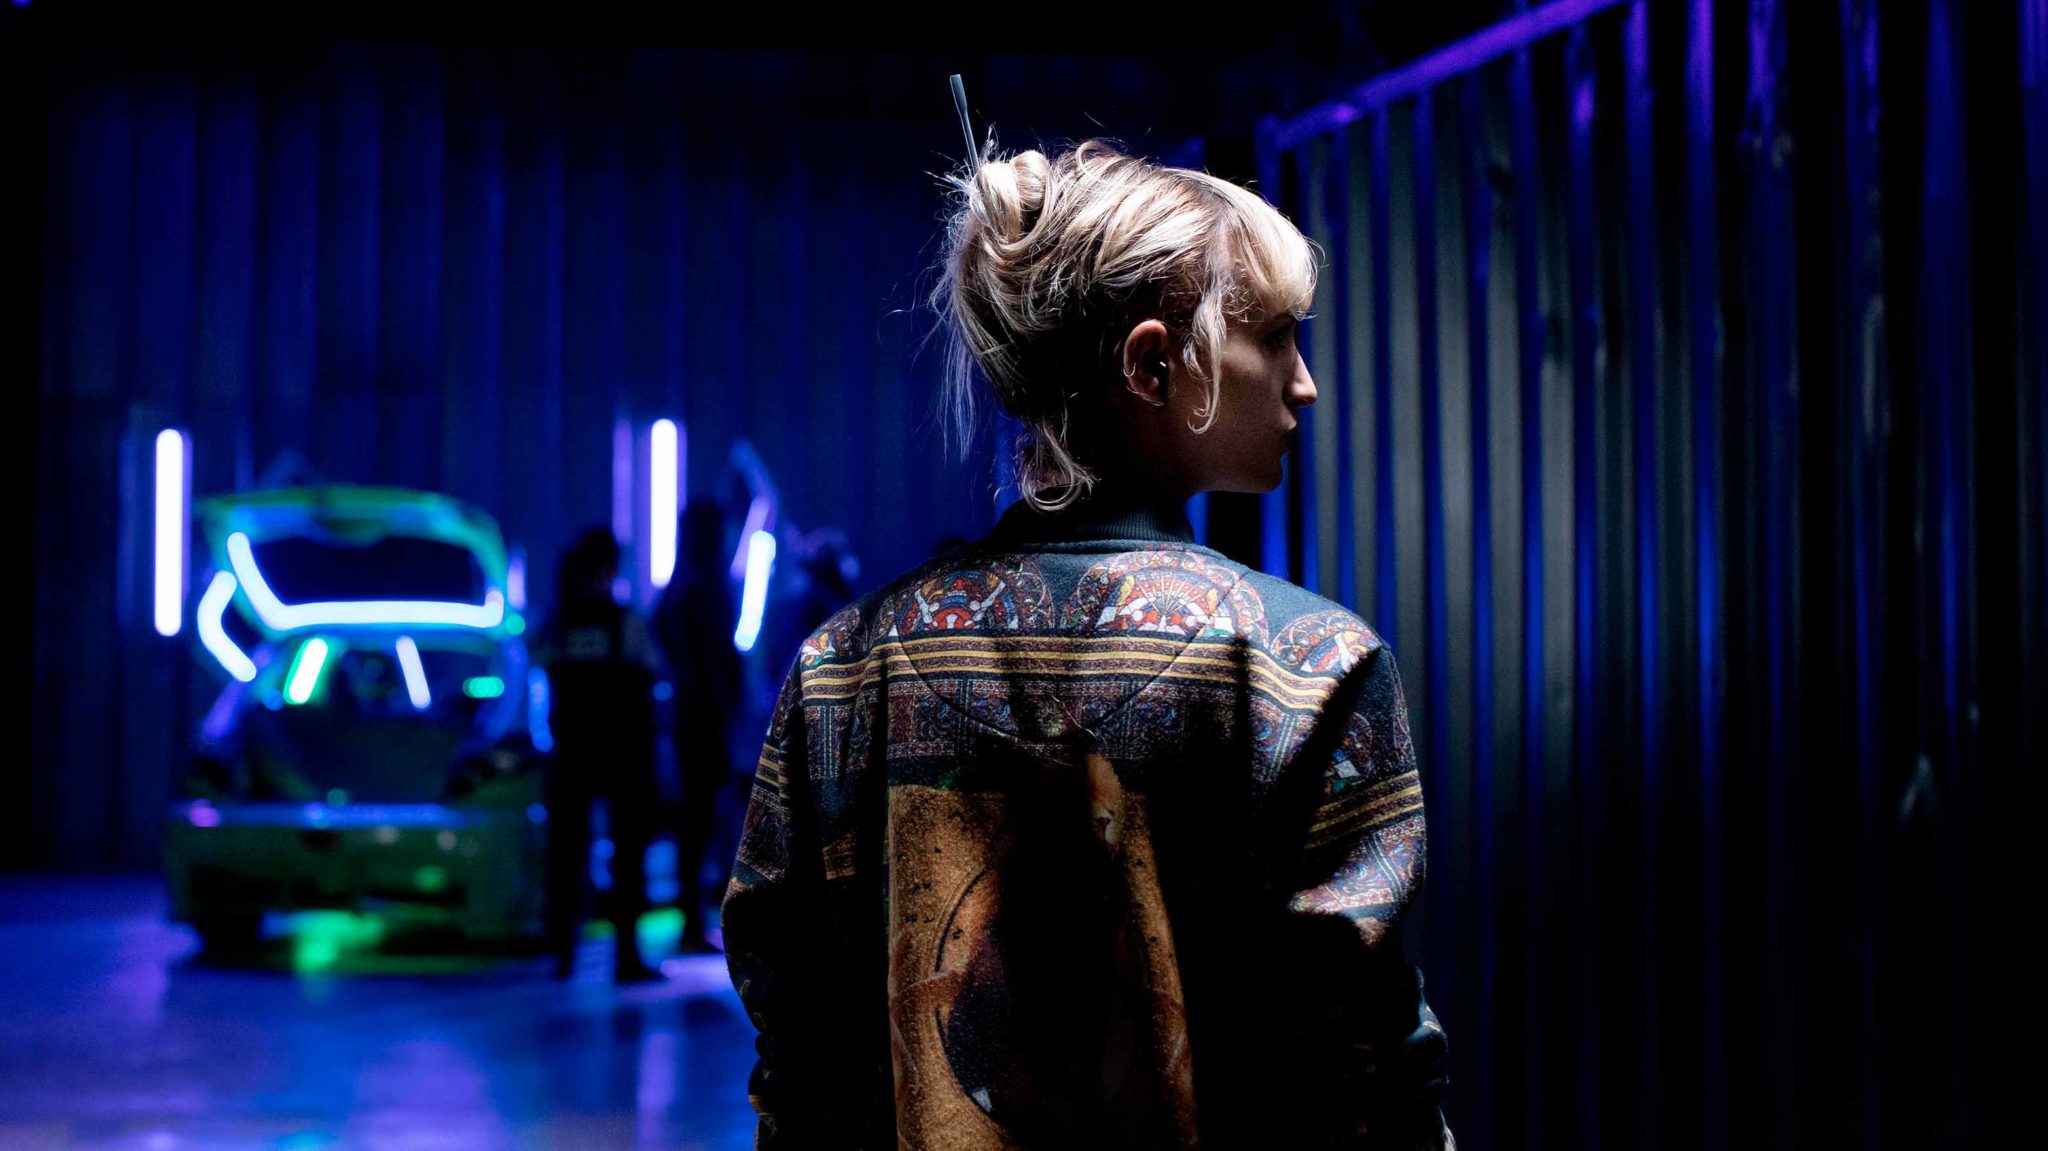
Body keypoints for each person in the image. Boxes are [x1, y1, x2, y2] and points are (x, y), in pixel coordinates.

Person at [723, 141, 1453, 1148]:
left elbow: (798, 1055)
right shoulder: (1310, 665)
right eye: (1276, 337)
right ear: (1153, 366)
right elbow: (1367, 1075)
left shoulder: (842, 669)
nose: (1305, 384)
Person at [537, 527, 665, 983]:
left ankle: (563, 952)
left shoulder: (558, 624)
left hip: (572, 753)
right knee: (627, 856)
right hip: (620, 753)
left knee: (567, 855)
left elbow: (543, 672)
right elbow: (650, 675)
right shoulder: (625, 623)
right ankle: (626, 956)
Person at [653, 500, 744, 954]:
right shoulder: (706, 587)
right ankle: (696, 921)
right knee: (704, 819)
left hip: (688, 711)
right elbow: (717, 656)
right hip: (707, 714)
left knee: (693, 820)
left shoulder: (678, 588)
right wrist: (729, 707)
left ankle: (692, 918)